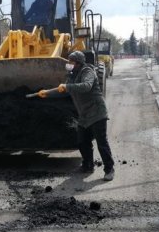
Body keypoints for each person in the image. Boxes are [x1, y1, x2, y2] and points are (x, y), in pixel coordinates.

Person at [38, 51, 115, 181]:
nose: (69, 64)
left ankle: (109, 169)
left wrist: (67, 86)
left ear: (78, 63)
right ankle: (88, 165)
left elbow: (86, 86)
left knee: (102, 143)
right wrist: (47, 93)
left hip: (97, 112)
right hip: (84, 114)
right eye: (68, 61)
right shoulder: (72, 75)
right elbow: (64, 91)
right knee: (82, 142)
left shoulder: (87, 71)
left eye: (71, 62)